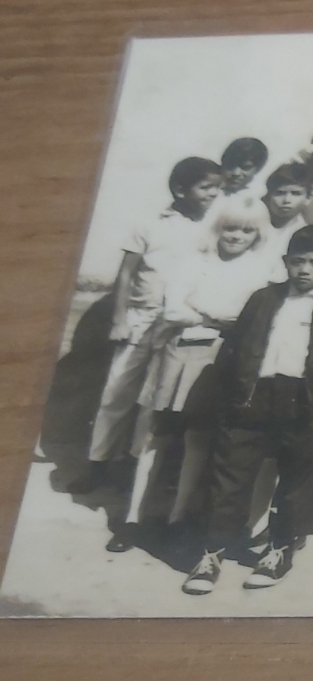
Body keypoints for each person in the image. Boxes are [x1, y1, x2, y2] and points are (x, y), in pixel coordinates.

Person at [181, 224, 313, 594]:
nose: (305, 270)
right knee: (229, 478)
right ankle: (211, 553)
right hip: (253, 396)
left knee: (297, 484)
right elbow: (235, 347)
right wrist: (234, 391)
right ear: (285, 262)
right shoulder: (263, 299)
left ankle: (280, 550)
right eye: (297, 262)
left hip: (306, 401)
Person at [127, 192, 275, 539]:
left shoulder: (260, 269)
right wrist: (216, 317)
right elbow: (173, 309)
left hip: (221, 359)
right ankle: (134, 516)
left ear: (257, 235)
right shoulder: (195, 260)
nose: (237, 237)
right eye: (231, 229)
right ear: (219, 228)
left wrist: (205, 315)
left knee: (199, 438)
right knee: (157, 435)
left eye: (246, 232)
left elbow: (249, 319)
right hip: (178, 353)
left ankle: (178, 519)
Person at [86, 156, 224, 477]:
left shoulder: (212, 228)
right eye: (205, 187)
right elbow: (126, 275)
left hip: (180, 324)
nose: (213, 194)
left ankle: (132, 468)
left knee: (154, 401)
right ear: (180, 189)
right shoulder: (149, 224)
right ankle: (98, 461)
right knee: (117, 391)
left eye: (217, 188)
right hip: (140, 320)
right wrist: (120, 319)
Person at [259, 163, 312, 265]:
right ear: (269, 195)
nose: (287, 200)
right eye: (280, 193)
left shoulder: (306, 235)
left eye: (295, 193)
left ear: (308, 198)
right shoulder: (252, 222)